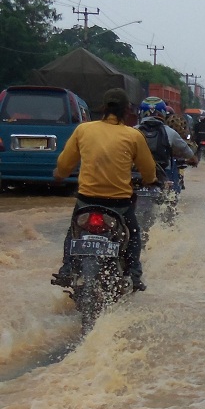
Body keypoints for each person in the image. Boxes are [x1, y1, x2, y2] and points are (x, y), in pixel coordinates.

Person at [51, 88, 158, 291]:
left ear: (103, 107)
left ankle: (66, 268)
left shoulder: (84, 130)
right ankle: (134, 274)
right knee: (134, 234)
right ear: (127, 110)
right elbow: (149, 170)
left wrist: (59, 174)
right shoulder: (133, 136)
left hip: (86, 200)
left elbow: (64, 165)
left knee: (73, 232)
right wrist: (150, 180)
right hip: (119, 205)